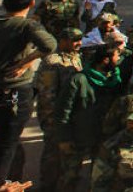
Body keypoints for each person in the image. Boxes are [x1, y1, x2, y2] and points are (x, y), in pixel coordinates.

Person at [0, 0, 57, 189]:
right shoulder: (27, 26)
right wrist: (26, 62)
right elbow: (50, 44)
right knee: (7, 140)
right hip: (14, 90)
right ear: (32, 3)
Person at [55, 43, 127, 190]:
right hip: (79, 136)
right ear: (105, 60)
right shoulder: (79, 80)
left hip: (104, 136)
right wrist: (64, 138)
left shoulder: (115, 79)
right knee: (69, 177)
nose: (119, 59)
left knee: (100, 177)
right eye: (116, 56)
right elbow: (63, 111)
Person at [35, 27, 83, 192]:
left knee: (68, 154)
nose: (79, 43)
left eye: (79, 39)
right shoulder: (52, 61)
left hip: (69, 116)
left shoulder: (76, 58)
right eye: (74, 40)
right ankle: (47, 186)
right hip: (54, 117)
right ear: (62, 41)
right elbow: (47, 94)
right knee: (52, 154)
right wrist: (52, 120)